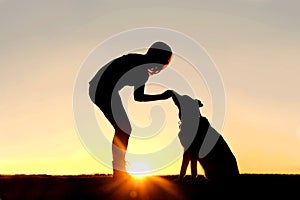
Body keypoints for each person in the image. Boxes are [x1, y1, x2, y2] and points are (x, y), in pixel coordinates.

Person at [89, 41, 173, 179]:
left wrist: (162, 96)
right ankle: (119, 170)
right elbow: (138, 96)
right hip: (102, 90)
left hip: (104, 90)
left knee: (123, 129)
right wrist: (162, 96)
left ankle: (119, 169)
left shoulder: (138, 64)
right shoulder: (138, 66)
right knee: (123, 129)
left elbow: (138, 96)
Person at [171, 91, 239, 184]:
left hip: (222, 173)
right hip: (220, 173)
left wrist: (193, 179)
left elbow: (192, 154)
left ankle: (195, 179)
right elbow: (188, 154)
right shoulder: (197, 124)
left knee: (193, 153)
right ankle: (186, 178)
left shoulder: (197, 127)